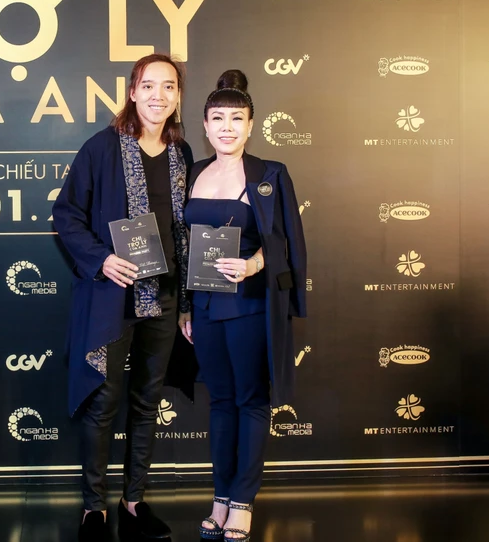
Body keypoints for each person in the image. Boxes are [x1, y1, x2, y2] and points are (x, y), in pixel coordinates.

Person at [53, 53, 195, 542]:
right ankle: (94, 508)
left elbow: (187, 229)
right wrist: (101, 260)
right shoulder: (101, 147)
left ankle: (134, 501)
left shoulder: (181, 153)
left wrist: (189, 303)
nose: (159, 95)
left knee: (147, 400)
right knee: (104, 401)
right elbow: (66, 214)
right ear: (133, 92)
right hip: (113, 294)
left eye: (169, 86)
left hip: (166, 295)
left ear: (178, 96)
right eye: (148, 85)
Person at [180, 70, 307, 542]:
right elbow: (183, 243)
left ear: (251, 125)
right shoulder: (194, 173)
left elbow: (288, 242)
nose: (227, 127)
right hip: (205, 306)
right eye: (218, 118)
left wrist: (254, 264)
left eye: (237, 119)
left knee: (251, 401)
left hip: (250, 305)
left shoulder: (271, 174)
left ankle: (242, 502)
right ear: (205, 126)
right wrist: (186, 308)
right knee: (220, 402)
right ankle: (220, 497)